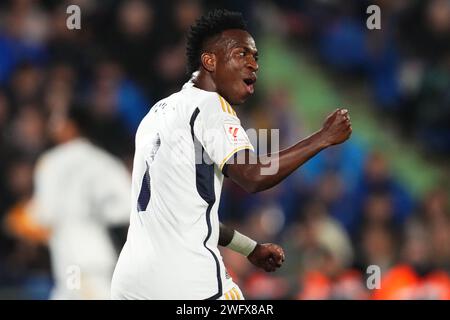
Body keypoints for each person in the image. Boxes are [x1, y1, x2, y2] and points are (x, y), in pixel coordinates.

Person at [111, 9, 352, 300]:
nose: (253, 65)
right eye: (242, 54)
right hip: (185, 278)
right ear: (209, 61)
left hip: (130, 280)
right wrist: (323, 138)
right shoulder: (210, 107)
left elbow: (191, 217)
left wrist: (250, 248)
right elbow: (253, 176)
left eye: (256, 58)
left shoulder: (157, 114)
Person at [26, 106, 131, 299]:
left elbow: (44, 214)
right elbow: (128, 206)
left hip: (72, 258)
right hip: (97, 251)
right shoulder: (104, 161)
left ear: (74, 126)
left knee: (73, 294)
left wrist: (23, 219)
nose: (53, 126)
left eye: (59, 121)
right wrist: (97, 214)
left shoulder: (51, 162)